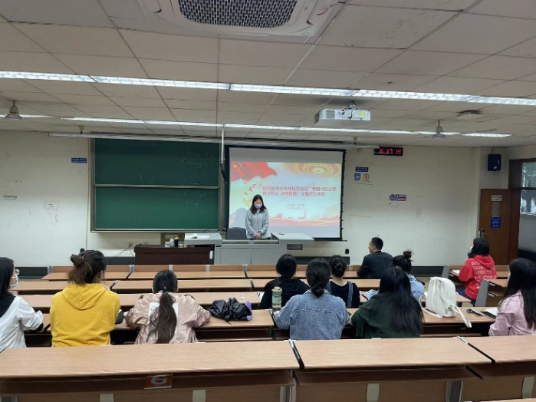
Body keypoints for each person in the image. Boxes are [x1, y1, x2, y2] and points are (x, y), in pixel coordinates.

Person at [50, 250, 120, 347]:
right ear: (100, 274)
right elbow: (112, 320)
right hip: (97, 353)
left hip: (61, 353)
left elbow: (54, 327)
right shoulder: (112, 298)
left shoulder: (57, 299)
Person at [126, 270, 211, 344]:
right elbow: (205, 316)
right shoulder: (188, 302)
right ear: (177, 289)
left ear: (153, 289)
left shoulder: (143, 302)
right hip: (182, 352)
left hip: (146, 352)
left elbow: (130, 320)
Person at [274, 258, 348, 340]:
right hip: (330, 348)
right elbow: (343, 323)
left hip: (300, 348)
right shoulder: (339, 303)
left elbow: (281, 323)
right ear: (328, 279)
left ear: (307, 277)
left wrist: (276, 311)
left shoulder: (296, 301)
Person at [351, 267, 423, 339]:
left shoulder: (376, 302)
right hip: (411, 345)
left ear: (383, 285)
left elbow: (354, 319)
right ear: (406, 285)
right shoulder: (413, 303)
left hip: (383, 345)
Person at [0, 258, 43, 350]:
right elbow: (36, 326)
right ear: (6, 277)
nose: (16, 275)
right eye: (14, 273)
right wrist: (40, 315)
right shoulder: (16, 303)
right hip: (12, 356)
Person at [489, 259, 536, 336]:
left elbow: (498, 333)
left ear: (515, 278)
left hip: (515, 343)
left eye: (510, 273)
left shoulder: (510, 302)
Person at [458, 238, 496, 303]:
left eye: (472, 245)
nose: (471, 246)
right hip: (488, 293)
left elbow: (462, 278)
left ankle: (459, 309)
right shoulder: (491, 260)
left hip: (474, 293)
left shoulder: (471, 261)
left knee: (455, 291)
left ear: (475, 248)